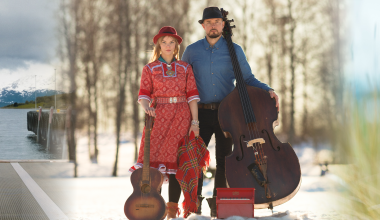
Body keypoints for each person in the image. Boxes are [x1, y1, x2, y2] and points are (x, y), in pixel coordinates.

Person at [181, 7, 280, 217]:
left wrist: (268, 90)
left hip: (227, 115)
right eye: (209, 23)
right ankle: (193, 205)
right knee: (195, 161)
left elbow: (248, 79)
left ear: (223, 25)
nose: (213, 26)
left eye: (217, 22)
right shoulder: (191, 51)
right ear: (202, 26)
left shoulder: (235, 50)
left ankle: (218, 205)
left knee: (224, 161)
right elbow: (182, 83)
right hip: (198, 114)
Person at [129, 26, 200, 219]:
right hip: (157, 118)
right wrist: (146, 108)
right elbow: (143, 94)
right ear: (158, 45)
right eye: (164, 42)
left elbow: (192, 96)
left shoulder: (185, 68)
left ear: (176, 46)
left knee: (176, 165)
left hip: (181, 117)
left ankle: (171, 210)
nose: (168, 46)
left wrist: (195, 122)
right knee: (154, 168)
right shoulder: (149, 69)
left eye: (171, 42)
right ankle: (155, 209)